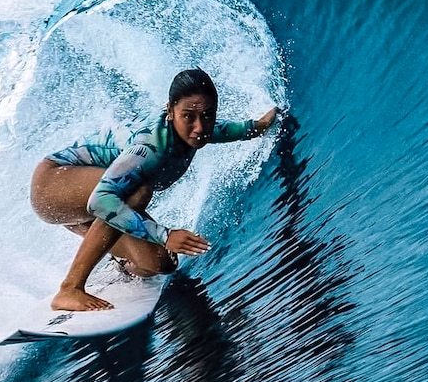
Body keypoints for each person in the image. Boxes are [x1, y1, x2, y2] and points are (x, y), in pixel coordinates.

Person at [30, 68, 278, 311]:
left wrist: (258, 125)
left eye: (208, 115)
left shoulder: (195, 129)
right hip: (54, 184)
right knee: (138, 191)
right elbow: (101, 201)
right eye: (188, 116)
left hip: (86, 200)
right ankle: (70, 288)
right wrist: (165, 235)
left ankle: (110, 252)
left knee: (160, 264)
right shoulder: (149, 148)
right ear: (170, 111)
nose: (199, 127)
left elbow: (223, 129)